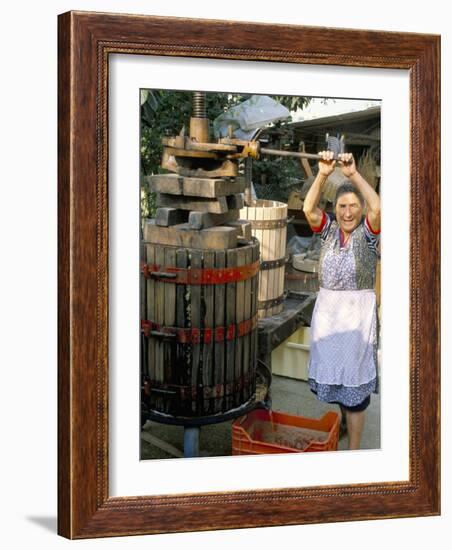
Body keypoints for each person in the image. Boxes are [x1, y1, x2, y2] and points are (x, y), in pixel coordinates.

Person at [303, 151, 380, 450]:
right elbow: (309, 207)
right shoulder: (328, 231)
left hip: (357, 320)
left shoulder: (368, 234)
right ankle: (344, 424)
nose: (348, 213)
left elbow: (378, 206)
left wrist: (352, 175)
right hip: (330, 317)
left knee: (357, 395)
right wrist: (323, 174)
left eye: (353, 207)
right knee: (337, 384)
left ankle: (354, 453)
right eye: (342, 207)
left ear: (360, 210)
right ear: (335, 209)